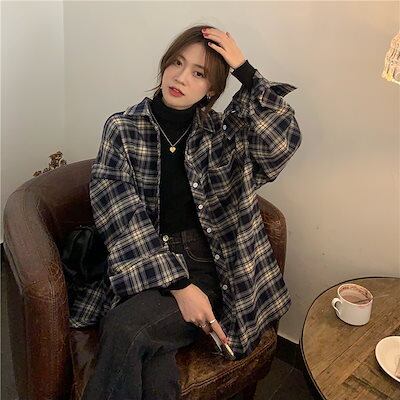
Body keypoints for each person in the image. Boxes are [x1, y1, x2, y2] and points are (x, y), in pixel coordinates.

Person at [73, 24, 302, 399]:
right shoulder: (123, 129)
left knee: (127, 328)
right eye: (177, 63)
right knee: (144, 351)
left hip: (209, 262)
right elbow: (120, 215)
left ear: (211, 89)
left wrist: (245, 71)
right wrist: (179, 286)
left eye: (199, 73)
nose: (180, 78)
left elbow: (280, 143)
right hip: (145, 254)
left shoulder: (220, 133)